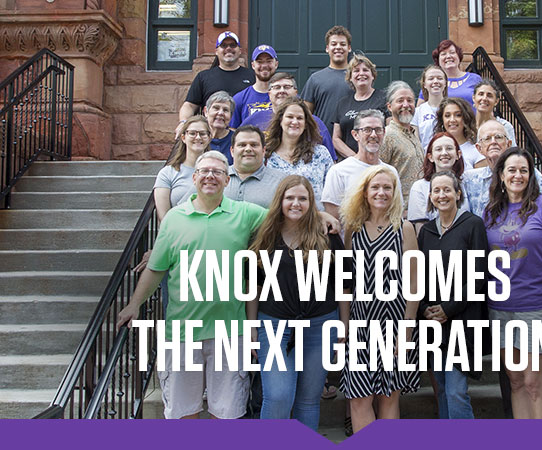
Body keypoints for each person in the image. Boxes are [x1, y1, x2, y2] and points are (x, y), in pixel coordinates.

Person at [117, 151, 267, 420]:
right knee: (184, 413)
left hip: (230, 333)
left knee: (229, 414)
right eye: (205, 171)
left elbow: (288, 216)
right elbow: (156, 268)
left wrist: (321, 216)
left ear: (227, 180)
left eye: (218, 172)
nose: (210, 176)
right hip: (182, 332)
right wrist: (134, 304)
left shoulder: (245, 214)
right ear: (194, 177)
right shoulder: (174, 218)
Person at [247, 175, 348, 430]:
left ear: (311, 203)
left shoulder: (327, 235)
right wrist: (251, 329)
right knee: (279, 395)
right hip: (274, 325)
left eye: (302, 198)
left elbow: (344, 285)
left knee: (308, 400)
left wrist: (343, 327)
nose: (296, 203)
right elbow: (254, 287)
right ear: (279, 201)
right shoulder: (265, 235)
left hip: (320, 325)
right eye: (289, 197)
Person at [483, 147, 542, 419]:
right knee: (516, 381)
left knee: (534, 383)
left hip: (537, 306)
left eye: (524, 170)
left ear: (531, 175)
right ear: (501, 175)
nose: (517, 175)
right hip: (500, 306)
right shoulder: (492, 211)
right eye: (512, 170)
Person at [339, 165, 420, 433]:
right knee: (359, 397)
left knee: (388, 396)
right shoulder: (353, 228)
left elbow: (413, 283)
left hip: (394, 323)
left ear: (395, 192)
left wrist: (407, 329)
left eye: (387, 187)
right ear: (364, 192)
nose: (381, 192)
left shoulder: (404, 228)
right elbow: (347, 282)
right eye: (375, 187)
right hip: (360, 322)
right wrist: (345, 322)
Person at [417, 171, 488, 419]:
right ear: (430, 196)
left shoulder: (472, 225)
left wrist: (449, 309)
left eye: (447, 189)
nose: (441, 195)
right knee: (443, 389)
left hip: (462, 319)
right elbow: (420, 275)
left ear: (458, 194)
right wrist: (424, 307)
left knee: (457, 391)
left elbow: (479, 276)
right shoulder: (426, 231)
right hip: (433, 323)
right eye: (436, 190)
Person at [322, 109, 401, 220]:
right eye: (367, 130)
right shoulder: (339, 171)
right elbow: (333, 218)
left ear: (384, 133)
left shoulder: (391, 172)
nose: (373, 135)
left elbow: (395, 211)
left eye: (378, 130)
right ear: (355, 135)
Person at [176, 31, 255, 138]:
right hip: (212, 136)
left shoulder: (252, 76)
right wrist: (183, 122)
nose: (228, 48)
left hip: (245, 136)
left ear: (239, 50)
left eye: (233, 45)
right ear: (216, 51)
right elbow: (189, 105)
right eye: (223, 45)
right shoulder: (204, 77)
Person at [241, 72, 336, 159]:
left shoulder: (314, 122)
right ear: (269, 94)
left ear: (295, 92)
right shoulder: (253, 120)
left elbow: (330, 159)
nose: (282, 91)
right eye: (277, 87)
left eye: (287, 87)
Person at [264, 98, 333, 206]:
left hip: (315, 219)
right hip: (278, 220)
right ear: (280, 120)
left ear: (306, 124)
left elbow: (331, 193)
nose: (295, 122)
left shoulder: (320, 154)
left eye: (300, 118)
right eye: (290, 117)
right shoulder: (266, 155)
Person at [154, 116, 210, 221]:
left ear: (209, 138)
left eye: (202, 133)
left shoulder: (217, 172)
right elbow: (163, 218)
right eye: (192, 133)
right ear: (183, 137)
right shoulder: (167, 173)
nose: (198, 137)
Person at [333, 54, 389, 158]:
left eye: (365, 70)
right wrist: (356, 158)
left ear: (373, 75)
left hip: (377, 160)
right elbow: (336, 138)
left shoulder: (384, 99)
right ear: (350, 77)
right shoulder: (342, 103)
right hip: (350, 162)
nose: (361, 73)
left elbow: (390, 133)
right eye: (356, 71)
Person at [379, 81, 424, 208]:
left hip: (420, 207)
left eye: (410, 100)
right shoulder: (386, 136)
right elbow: (379, 175)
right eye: (400, 101)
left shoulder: (414, 134)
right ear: (389, 107)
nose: (406, 105)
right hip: (399, 210)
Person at [301, 25, 353, 131]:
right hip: (323, 141)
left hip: (353, 142)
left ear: (349, 48)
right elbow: (305, 114)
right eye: (334, 44)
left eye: (343, 44)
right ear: (327, 48)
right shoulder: (315, 79)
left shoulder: (358, 77)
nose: (338, 47)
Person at [407, 132, 467, 223]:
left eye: (449, 148)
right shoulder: (419, 187)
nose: (444, 153)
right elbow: (420, 228)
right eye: (438, 149)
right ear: (430, 157)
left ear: (458, 154)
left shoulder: (467, 182)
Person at [417, 39, 481, 107]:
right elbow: (419, 109)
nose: (448, 56)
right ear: (438, 60)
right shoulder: (432, 82)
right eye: (443, 54)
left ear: (459, 56)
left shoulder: (475, 79)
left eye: (452, 52)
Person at [230, 45, 279, 128]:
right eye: (259, 62)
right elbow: (233, 131)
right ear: (253, 65)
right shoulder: (239, 99)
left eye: (269, 61)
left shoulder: (285, 96)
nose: (264, 66)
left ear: (276, 64)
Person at [435, 97, 486, 170]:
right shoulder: (434, 149)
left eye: (458, 115)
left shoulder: (477, 152)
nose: (452, 120)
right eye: (447, 116)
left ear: (465, 118)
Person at [411, 65, 447, 152]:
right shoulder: (418, 112)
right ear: (424, 85)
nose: (435, 81)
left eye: (439, 78)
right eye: (431, 78)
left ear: (445, 83)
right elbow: (416, 142)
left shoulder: (453, 108)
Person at [473, 79, 516, 146]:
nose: (484, 98)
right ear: (474, 98)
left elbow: (512, 153)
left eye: (489, 95)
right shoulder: (466, 125)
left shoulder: (505, 126)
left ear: (496, 101)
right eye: (481, 94)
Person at [204, 91, 236, 164]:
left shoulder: (237, 139)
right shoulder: (197, 138)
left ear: (231, 116)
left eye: (225, 110)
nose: (221, 113)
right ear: (206, 111)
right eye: (216, 108)